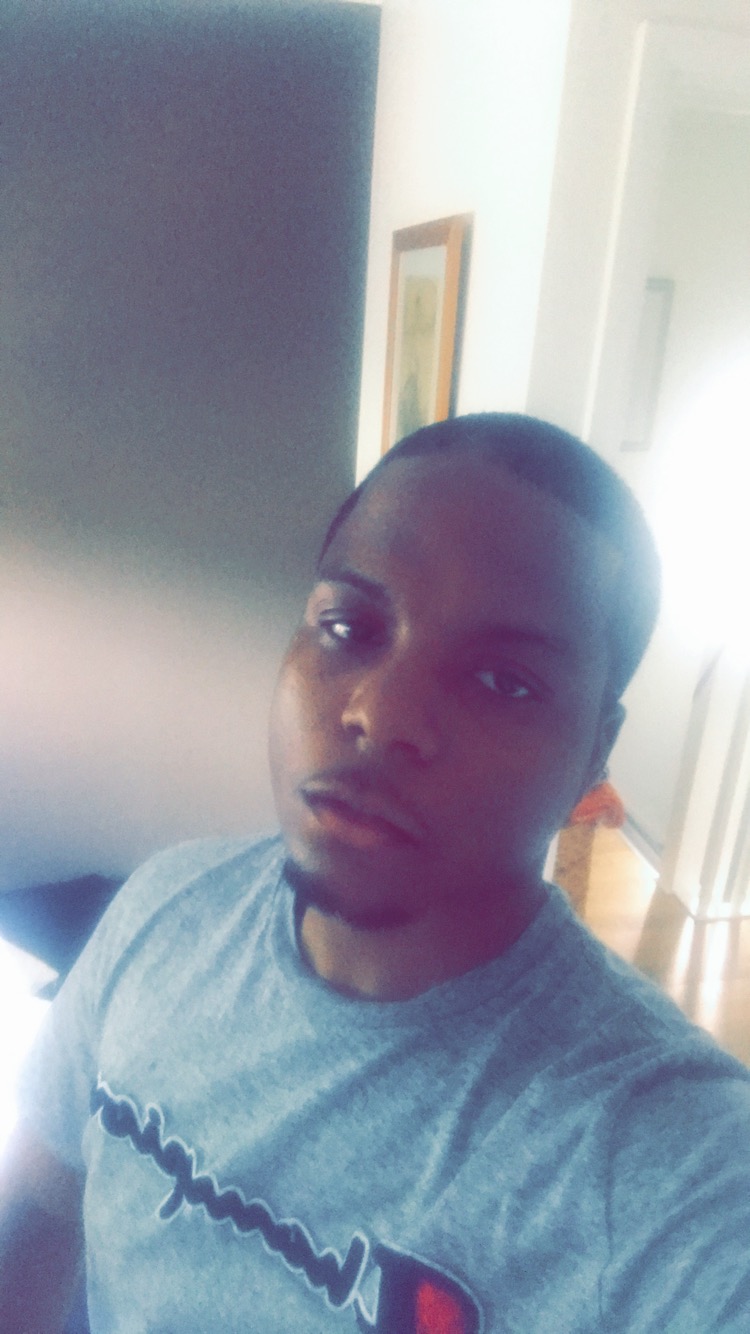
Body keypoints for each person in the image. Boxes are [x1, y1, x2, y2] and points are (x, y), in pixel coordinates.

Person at [1, 413, 749, 1333]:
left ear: (595, 752)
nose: (381, 712)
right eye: (349, 625)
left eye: (504, 681)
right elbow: (41, 1202)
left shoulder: (663, 1163)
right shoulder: (161, 910)